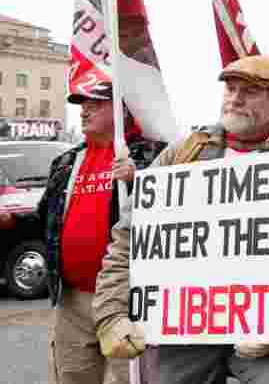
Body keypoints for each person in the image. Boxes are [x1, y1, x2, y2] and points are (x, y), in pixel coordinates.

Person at [92, 55, 269, 384]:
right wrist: (111, 314)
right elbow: (130, 238)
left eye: (250, 92)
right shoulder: (183, 154)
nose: (236, 99)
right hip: (187, 323)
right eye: (231, 88)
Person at [37, 81, 165, 384]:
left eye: (95, 103)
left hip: (126, 297)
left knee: (128, 378)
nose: (84, 110)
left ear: (120, 109)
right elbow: (47, 215)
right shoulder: (66, 161)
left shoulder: (152, 154)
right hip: (72, 299)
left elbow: (175, 206)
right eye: (82, 104)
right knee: (72, 376)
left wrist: (140, 179)